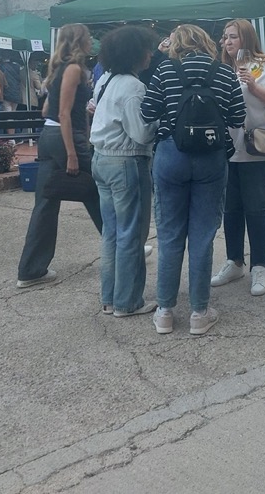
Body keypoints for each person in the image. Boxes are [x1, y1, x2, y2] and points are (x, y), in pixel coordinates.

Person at [141, 25, 245, 336]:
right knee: (202, 236)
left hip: (171, 155)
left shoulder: (165, 71)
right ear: (206, 42)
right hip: (211, 158)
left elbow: (147, 112)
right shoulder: (224, 73)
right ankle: (200, 312)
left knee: (170, 234)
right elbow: (238, 117)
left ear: (176, 44)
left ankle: (164, 312)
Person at [17, 24, 105, 288]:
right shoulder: (74, 69)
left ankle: (31, 269)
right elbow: (63, 113)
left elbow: (47, 110)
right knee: (99, 192)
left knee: (46, 202)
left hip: (49, 136)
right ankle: (123, 246)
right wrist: (72, 153)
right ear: (79, 41)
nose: (91, 41)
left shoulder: (57, 70)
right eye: (88, 37)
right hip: (66, 137)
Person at [210, 19, 265, 295]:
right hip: (227, 147)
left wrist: (255, 87)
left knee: (255, 207)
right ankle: (234, 261)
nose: (227, 42)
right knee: (231, 207)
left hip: (256, 147)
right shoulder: (222, 68)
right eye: (225, 37)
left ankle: (260, 265)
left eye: (233, 36)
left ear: (246, 38)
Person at [90, 26, 157, 316]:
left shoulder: (105, 79)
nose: (150, 54)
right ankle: (128, 301)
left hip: (101, 159)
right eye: (146, 49)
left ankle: (110, 297)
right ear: (135, 53)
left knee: (111, 233)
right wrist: (158, 121)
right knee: (131, 234)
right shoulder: (134, 87)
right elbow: (141, 133)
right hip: (127, 162)